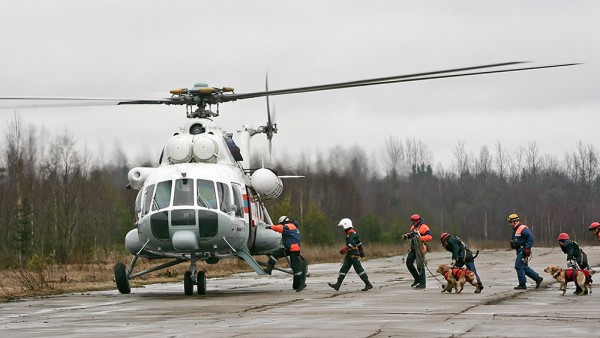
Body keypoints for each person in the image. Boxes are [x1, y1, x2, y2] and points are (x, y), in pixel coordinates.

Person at [328, 218, 373, 292]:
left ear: (346, 225)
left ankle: (368, 284)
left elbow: (351, 244)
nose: (342, 228)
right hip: (350, 255)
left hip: (353, 255)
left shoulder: (351, 233)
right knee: (344, 269)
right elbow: (359, 243)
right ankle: (337, 285)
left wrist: (344, 249)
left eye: (342, 226)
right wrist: (361, 253)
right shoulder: (352, 232)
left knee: (359, 270)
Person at [265, 215, 307, 292]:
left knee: (295, 267)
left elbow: (279, 228)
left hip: (293, 249)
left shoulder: (289, 226)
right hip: (289, 248)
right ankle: (269, 269)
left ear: (284, 222)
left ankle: (301, 283)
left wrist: (270, 227)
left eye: (281, 223)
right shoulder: (292, 226)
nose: (281, 225)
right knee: (275, 254)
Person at [508, 213, 543, 290]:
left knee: (518, 266)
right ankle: (537, 278)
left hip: (523, 251)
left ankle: (522, 284)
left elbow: (531, 238)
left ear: (514, 221)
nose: (510, 224)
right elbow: (518, 239)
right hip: (520, 250)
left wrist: (527, 249)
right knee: (524, 267)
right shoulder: (516, 230)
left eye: (510, 222)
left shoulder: (522, 228)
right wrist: (513, 244)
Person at [401, 214, 432, 289]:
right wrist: (407, 235)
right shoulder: (413, 227)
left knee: (420, 265)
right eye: (411, 222)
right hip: (413, 248)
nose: (412, 223)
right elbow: (412, 235)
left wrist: (420, 238)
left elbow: (430, 237)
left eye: (413, 222)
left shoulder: (424, 227)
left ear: (417, 221)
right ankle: (417, 279)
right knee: (409, 263)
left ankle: (422, 283)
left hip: (420, 249)